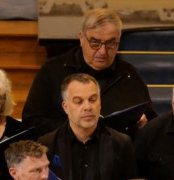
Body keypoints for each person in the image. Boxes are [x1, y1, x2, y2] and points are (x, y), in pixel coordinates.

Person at [22, 8, 155, 137]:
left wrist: (143, 125)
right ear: (81, 38)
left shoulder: (129, 74)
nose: (103, 51)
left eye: (111, 43)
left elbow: (151, 119)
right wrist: (76, 130)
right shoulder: (52, 70)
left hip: (115, 154)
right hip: (64, 153)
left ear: (119, 40)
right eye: (95, 42)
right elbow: (31, 121)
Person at [38, 73, 137, 180]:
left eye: (92, 99)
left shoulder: (121, 143)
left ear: (100, 103)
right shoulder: (46, 144)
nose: (87, 107)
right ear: (65, 107)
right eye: (78, 101)